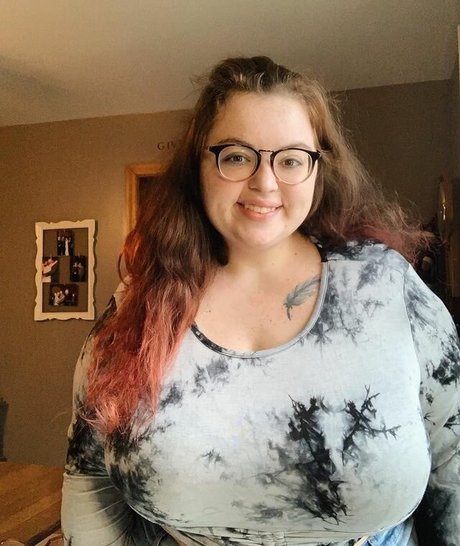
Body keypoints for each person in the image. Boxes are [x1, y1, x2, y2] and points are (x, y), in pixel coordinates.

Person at [61, 57, 460, 546]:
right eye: (236, 156)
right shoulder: (139, 304)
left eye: (291, 159)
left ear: (317, 169)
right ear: (198, 166)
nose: (265, 182)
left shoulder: (386, 286)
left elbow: (453, 457)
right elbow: (91, 477)